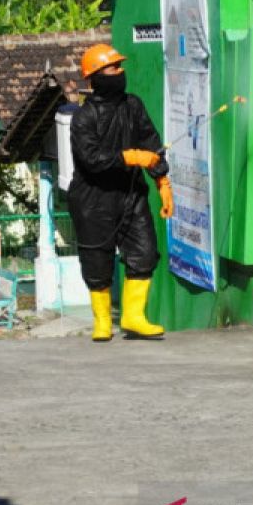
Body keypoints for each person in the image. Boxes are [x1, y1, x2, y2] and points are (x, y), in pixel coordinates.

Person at [69, 44, 175, 342]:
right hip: (93, 198)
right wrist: (129, 157)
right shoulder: (83, 118)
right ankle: (102, 320)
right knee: (97, 259)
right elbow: (91, 159)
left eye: (120, 66)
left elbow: (152, 143)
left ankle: (134, 316)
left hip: (130, 193)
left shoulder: (133, 106)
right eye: (112, 68)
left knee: (144, 251)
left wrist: (162, 183)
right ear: (94, 76)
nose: (119, 72)